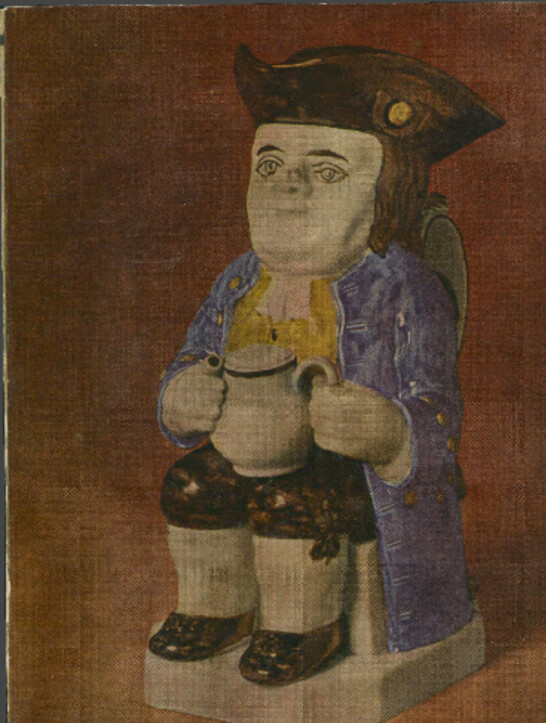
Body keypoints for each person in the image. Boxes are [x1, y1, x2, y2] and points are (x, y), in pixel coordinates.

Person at [148, 45, 503, 685]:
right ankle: (215, 608)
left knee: (292, 501)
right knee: (192, 486)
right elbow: (196, 352)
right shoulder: (240, 280)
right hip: (250, 446)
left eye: (327, 171)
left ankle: (302, 625)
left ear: (382, 193)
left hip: (350, 471)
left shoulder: (407, 289)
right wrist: (185, 392)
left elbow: (439, 415)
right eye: (271, 164)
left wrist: (389, 433)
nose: (289, 186)